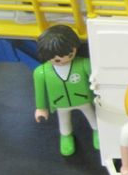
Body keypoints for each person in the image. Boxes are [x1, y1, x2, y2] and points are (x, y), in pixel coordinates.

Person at [33, 24, 98, 156]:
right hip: (60, 103)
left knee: (92, 117)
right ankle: (66, 136)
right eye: (57, 59)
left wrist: (99, 94)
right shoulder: (41, 72)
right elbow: (40, 92)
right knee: (64, 122)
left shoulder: (84, 64)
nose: (63, 60)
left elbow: (96, 80)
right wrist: (41, 108)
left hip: (83, 99)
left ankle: (97, 132)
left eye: (69, 54)